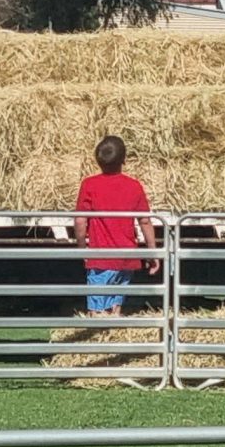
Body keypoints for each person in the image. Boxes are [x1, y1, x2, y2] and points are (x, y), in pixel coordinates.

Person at [74, 135, 158, 319]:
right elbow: (145, 221)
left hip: (100, 257)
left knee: (97, 311)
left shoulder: (89, 184)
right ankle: (113, 332)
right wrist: (153, 253)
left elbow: (80, 220)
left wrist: (81, 248)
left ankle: (99, 334)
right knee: (115, 308)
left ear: (98, 161)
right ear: (124, 160)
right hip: (127, 257)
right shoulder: (134, 186)